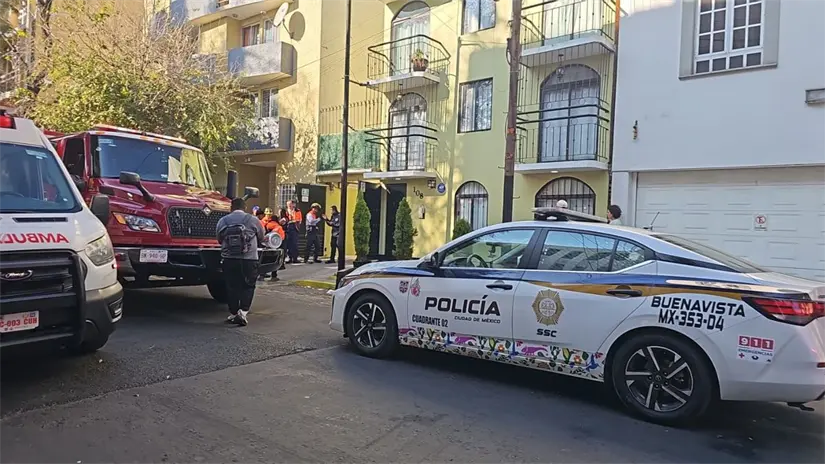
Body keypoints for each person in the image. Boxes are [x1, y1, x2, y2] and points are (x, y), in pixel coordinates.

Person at [216, 197, 265, 326]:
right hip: (249, 259)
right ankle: (243, 312)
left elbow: (219, 239)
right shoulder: (253, 220)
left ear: (231, 207)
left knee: (232, 286)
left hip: (229, 259)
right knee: (248, 286)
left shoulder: (223, 221)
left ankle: (233, 313)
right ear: (245, 207)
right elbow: (262, 236)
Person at [261, 207, 286, 281]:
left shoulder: (260, 222)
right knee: (274, 259)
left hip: (263, 244)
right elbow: (282, 237)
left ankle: (262, 275)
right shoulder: (276, 225)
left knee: (263, 259)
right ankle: (274, 276)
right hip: (274, 245)